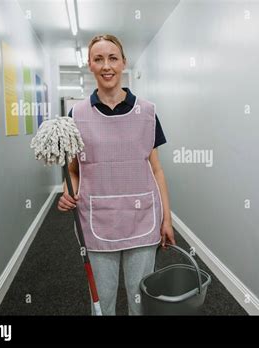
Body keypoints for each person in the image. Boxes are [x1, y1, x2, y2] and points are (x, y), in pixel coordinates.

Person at [57, 34, 176, 315]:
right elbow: (74, 170)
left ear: (124, 62)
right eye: (98, 59)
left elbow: (156, 169)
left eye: (112, 58)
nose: (106, 65)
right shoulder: (76, 114)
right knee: (103, 302)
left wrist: (167, 219)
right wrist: (67, 190)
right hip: (98, 220)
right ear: (90, 65)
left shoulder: (146, 112)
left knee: (140, 300)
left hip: (143, 218)